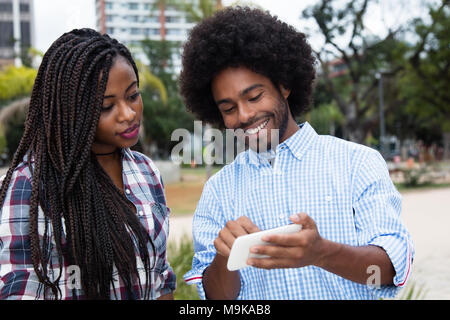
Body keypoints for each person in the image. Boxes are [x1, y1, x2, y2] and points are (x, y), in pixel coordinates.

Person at [180, 7, 414, 300]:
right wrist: (224, 260)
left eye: (254, 97)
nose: (244, 115)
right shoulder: (218, 191)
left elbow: (390, 271)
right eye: (228, 108)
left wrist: (322, 253)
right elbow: (215, 300)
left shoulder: (357, 163)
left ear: (285, 85)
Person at [0, 29, 175, 300]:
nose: (129, 114)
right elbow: (21, 290)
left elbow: (160, 278)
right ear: (71, 112)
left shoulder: (147, 171)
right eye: (106, 107)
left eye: (132, 96)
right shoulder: (30, 184)